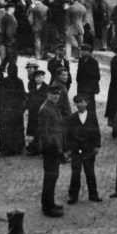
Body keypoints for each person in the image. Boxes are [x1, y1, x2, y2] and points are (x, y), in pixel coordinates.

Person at [65, 93, 103, 204]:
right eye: (78, 102)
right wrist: (69, 149)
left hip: (89, 150)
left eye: (82, 102)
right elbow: (69, 135)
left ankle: (93, 195)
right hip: (76, 151)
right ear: (75, 104)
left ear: (86, 103)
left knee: (90, 172)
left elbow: (96, 132)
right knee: (75, 173)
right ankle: (73, 196)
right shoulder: (72, 118)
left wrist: (97, 146)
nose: (80, 104)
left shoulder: (92, 116)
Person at [38, 83, 67, 217]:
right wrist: (52, 147)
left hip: (55, 147)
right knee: (50, 177)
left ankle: (50, 202)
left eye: (58, 94)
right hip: (51, 149)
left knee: (53, 176)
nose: (56, 96)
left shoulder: (53, 106)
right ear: (48, 94)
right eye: (53, 94)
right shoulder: (45, 109)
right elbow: (44, 132)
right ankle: (47, 207)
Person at [0, 64, 28, 156]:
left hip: (11, 108)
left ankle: (12, 148)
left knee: (10, 129)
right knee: (12, 129)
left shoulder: (7, 81)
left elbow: (23, 95)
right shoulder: (17, 81)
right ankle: (14, 148)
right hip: (12, 108)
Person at [26, 68, 48, 155]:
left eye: (40, 77)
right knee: (32, 130)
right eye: (36, 77)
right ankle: (32, 148)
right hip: (32, 112)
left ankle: (41, 147)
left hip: (41, 112)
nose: (38, 79)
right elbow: (29, 98)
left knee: (41, 130)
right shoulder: (32, 87)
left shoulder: (46, 88)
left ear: (43, 78)